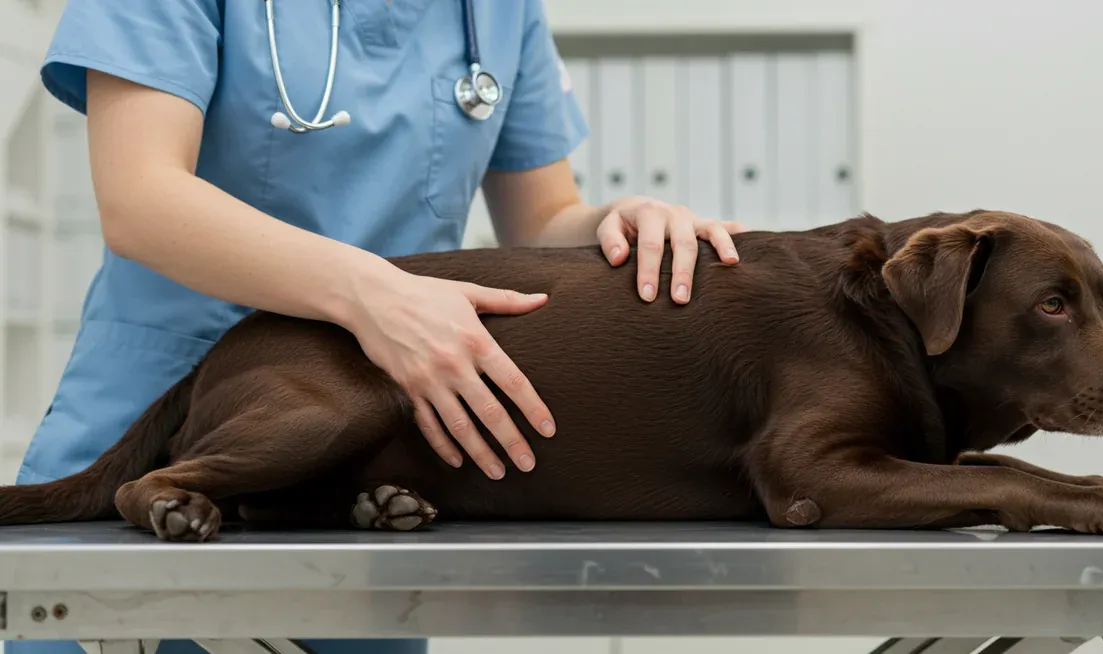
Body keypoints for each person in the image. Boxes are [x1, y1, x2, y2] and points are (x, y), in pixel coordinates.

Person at [11, 1, 746, 653]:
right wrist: (372, 296)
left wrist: (611, 226)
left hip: (369, 474)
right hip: (179, 422)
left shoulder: (497, 8)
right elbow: (142, 199)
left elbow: (543, 217)